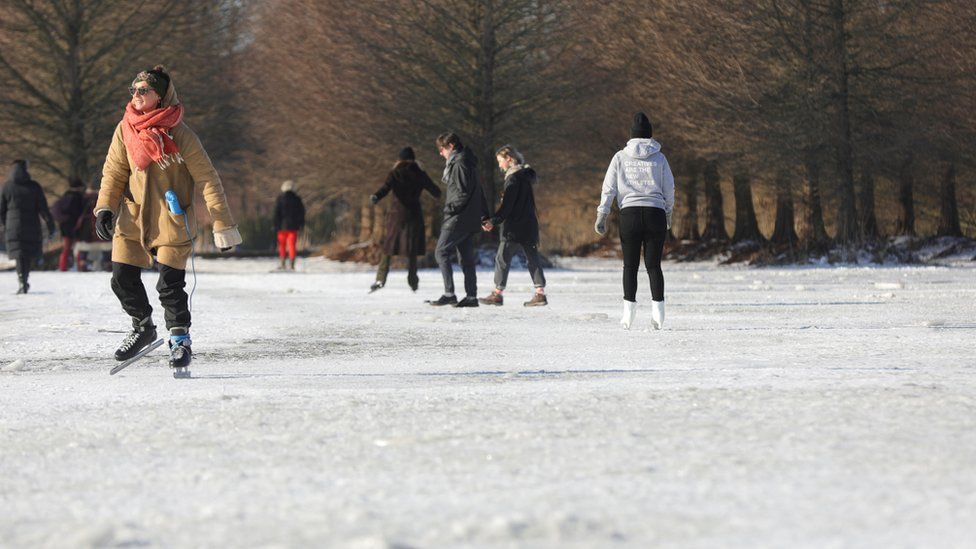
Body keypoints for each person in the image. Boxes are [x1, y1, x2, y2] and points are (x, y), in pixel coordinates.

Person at [94, 65, 242, 370]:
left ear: (160, 96)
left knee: (170, 286)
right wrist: (105, 208)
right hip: (133, 218)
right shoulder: (125, 129)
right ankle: (143, 327)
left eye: (144, 90)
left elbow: (208, 179)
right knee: (122, 279)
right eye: (133, 90)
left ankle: (179, 341)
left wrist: (222, 225)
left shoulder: (181, 134)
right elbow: (114, 172)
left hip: (172, 219)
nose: (136, 95)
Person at [594, 112, 675, 330]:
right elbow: (669, 189)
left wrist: (602, 214)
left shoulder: (620, 157)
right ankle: (659, 314)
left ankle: (628, 314)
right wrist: (668, 213)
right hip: (655, 213)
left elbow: (609, 188)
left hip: (629, 215)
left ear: (632, 136)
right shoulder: (660, 158)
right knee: (653, 266)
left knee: (629, 266)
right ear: (649, 136)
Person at [479, 145, 548, 307]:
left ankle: (497, 294)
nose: (499, 165)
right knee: (532, 258)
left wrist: (492, 221)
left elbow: (508, 206)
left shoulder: (513, 178)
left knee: (502, 258)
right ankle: (540, 294)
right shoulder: (525, 176)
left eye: (500, 161)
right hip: (529, 224)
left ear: (509, 159)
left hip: (514, 227)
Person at [369, 146, 441, 293]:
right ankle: (413, 281)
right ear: (414, 159)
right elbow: (436, 191)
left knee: (388, 248)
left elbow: (385, 188)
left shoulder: (395, 173)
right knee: (412, 249)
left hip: (397, 216)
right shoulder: (420, 174)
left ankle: (380, 279)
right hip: (414, 215)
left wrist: (376, 196)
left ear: (399, 159)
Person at [428, 132, 489, 307]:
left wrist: (450, 209)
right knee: (466, 258)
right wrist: (484, 215)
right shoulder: (468, 161)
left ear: (451, 146)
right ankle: (471, 297)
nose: (441, 153)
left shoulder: (460, 163)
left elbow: (463, 193)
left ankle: (449, 293)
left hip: (458, 217)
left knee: (441, 252)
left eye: (442, 149)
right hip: (469, 217)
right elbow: (479, 191)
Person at [1, 160, 55, 294]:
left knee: (19, 254)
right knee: (26, 253)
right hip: (31, 224)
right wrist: (50, 225)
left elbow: (1, 209)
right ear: (26, 169)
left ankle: (22, 281)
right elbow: (43, 208)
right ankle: (24, 279)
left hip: (12, 226)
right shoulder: (34, 186)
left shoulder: (7, 187)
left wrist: (5, 224)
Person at [52, 178, 87, 271]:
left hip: (65, 226)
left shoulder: (65, 196)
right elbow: (77, 212)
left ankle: (63, 267)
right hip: (74, 226)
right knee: (78, 247)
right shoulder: (77, 197)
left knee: (66, 248)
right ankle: (79, 267)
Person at [273, 180, 305, 270]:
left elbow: (276, 213)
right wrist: (301, 224)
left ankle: (283, 264)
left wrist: (276, 225)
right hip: (293, 227)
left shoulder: (280, 199)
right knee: (292, 246)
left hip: (281, 227)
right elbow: (301, 213)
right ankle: (292, 264)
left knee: (282, 245)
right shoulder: (297, 199)